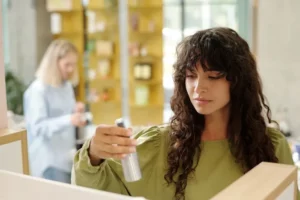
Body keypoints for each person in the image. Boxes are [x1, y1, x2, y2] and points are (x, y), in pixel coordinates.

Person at [72, 28, 297, 199]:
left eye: (212, 76)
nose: (198, 87)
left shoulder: (270, 147)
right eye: (191, 75)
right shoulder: (157, 146)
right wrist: (93, 155)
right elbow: (98, 191)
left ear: (237, 81)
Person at [24, 39, 86, 183]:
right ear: (54, 63)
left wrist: (75, 110)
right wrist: (69, 119)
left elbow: (63, 114)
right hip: (49, 162)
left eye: (73, 64)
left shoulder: (67, 86)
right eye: (67, 65)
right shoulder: (38, 90)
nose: (71, 69)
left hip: (67, 159)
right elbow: (38, 127)